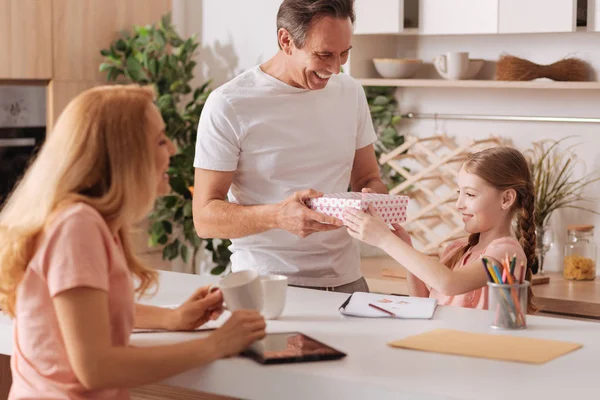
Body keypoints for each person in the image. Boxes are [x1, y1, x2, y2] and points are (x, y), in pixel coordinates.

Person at [0, 85, 266, 399]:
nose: (172, 150)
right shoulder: (77, 227)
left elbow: (89, 313)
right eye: (159, 140)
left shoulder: (91, 222)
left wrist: (173, 318)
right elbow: (96, 366)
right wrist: (214, 345)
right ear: (124, 156)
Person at [193, 0, 387, 293]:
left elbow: (367, 179)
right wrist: (277, 216)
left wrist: (375, 195)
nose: (335, 68)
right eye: (324, 54)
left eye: (344, 53)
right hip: (265, 285)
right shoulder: (230, 104)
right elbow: (205, 218)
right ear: (286, 40)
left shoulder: (351, 94)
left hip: (347, 282)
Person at [343, 146, 537, 313]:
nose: (459, 204)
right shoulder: (457, 249)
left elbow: (449, 283)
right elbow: (424, 304)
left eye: (470, 194)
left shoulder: (507, 252)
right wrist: (405, 246)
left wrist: (385, 240)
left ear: (506, 199)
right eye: (458, 193)